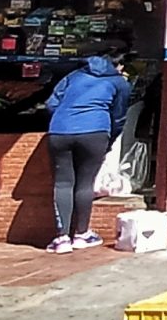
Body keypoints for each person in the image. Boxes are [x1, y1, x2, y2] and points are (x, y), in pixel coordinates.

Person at [43, 54, 131, 254]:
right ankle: (82, 234)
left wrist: (65, 120)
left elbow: (51, 104)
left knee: (63, 183)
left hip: (60, 131)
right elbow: (119, 116)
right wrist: (109, 139)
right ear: (119, 65)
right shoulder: (119, 83)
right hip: (95, 132)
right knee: (85, 183)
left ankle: (61, 239)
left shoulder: (74, 76)